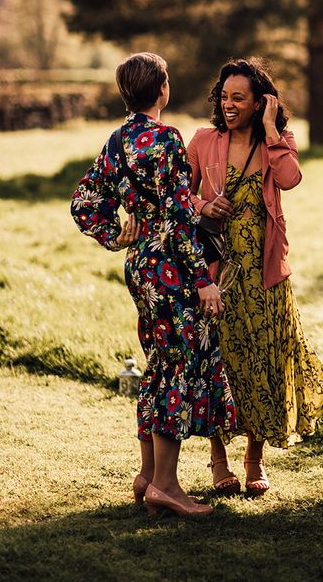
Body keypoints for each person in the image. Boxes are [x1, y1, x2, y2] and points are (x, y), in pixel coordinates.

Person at [71, 52, 236, 517]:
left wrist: (115, 233)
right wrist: (203, 279)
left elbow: (84, 201)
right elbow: (181, 216)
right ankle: (166, 484)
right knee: (179, 368)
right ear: (162, 89)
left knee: (158, 364)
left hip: (140, 265)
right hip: (172, 267)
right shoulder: (165, 139)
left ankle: (147, 475)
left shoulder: (118, 139)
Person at [187, 57, 323, 496]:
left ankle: (254, 459)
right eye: (224, 97)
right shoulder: (204, 140)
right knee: (219, 362)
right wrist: (203, 207)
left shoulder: (278, 142)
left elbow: (291, 179)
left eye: (239, 97)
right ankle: (218, 460)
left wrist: (273, 130)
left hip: (264, 273)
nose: (229, 104)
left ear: (261, 102)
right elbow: (180, 194)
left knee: (264, 362)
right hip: (217, 270)